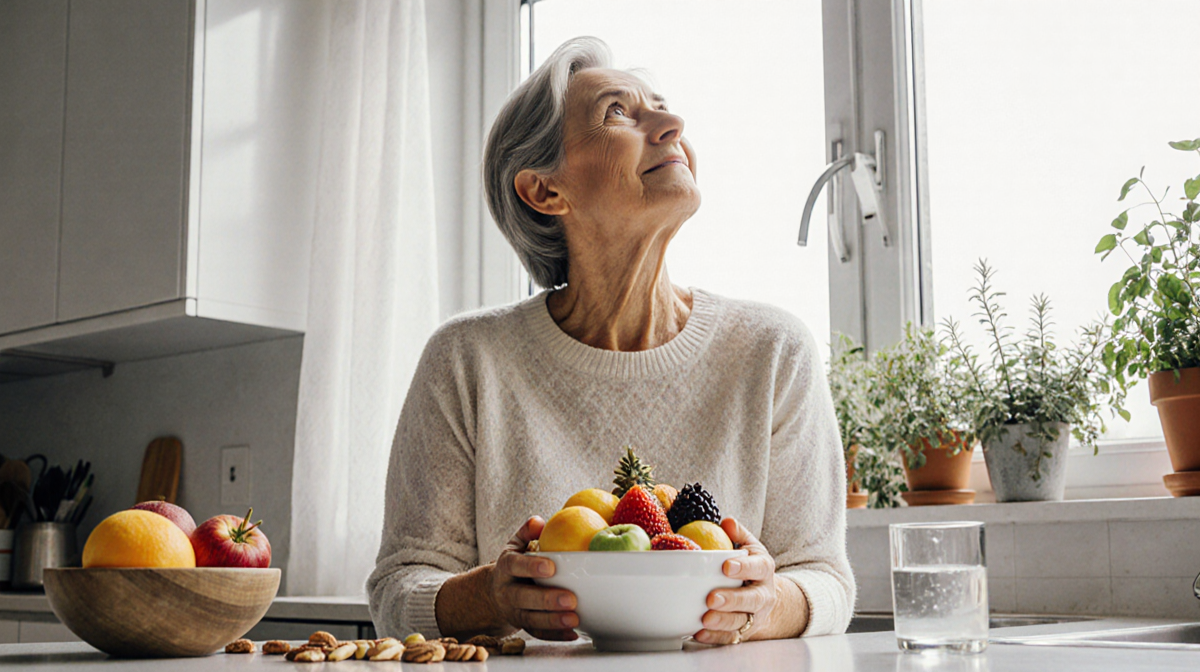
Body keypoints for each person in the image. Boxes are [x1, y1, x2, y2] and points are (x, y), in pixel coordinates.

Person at [367, 36, 854, 645]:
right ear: (546, 191)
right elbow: (398, 589)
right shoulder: (467, 360)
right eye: (618, 112)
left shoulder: (773, 352)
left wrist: (765, 603)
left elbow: (825, 579)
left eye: (662, 106)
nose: (673, 123)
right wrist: (492, 595)